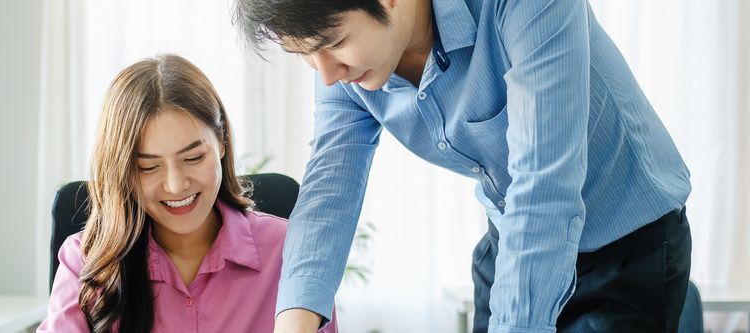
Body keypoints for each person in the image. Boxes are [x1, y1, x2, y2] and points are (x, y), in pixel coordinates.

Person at [233, 0, 692, 332]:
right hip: (511, 239)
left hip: (626, 241)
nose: (326, 75)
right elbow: (327, 189)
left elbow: (545, 185)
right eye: (306, 56)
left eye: (332, 45)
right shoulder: (340, 65)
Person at [38, 54, 337, 332]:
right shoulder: (85, 261)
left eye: (193, 158)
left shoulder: (290, 252)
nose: (176, 184)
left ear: (222, 142)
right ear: (124, 172)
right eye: (148, 167)